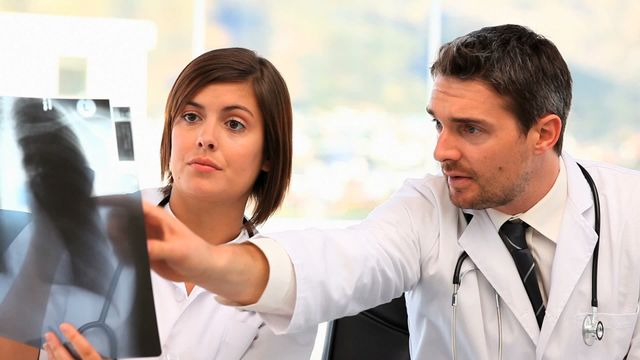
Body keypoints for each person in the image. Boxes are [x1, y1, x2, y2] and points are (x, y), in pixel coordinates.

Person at [112, 24, 640, 359]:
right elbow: (338, 263)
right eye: (438, 124)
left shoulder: (630, 214)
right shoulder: (427, 210)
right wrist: (204, 261)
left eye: (470, 130)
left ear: (544, 133)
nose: (442, 151)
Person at [43, 47, 317, 360]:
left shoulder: (281, 291)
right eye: (190, 117)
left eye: (235, 124)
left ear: (269, 154)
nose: (206, 137)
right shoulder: (91, 222)